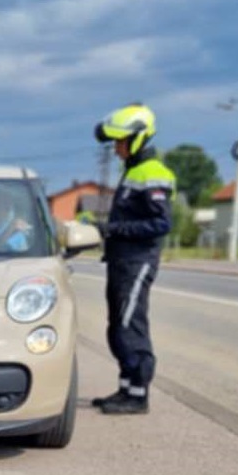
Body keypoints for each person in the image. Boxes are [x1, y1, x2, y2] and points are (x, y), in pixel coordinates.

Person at [91, 104, 175, 415]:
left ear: (137, 139)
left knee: (130, 326)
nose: (116, 149)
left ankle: (138, 396)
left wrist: (114, 229)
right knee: (117, 326)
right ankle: (126, 388)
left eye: (120, 142)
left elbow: (161, 223)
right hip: (121, 260)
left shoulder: (153, 173)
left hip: (138, 261)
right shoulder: (133, 171)